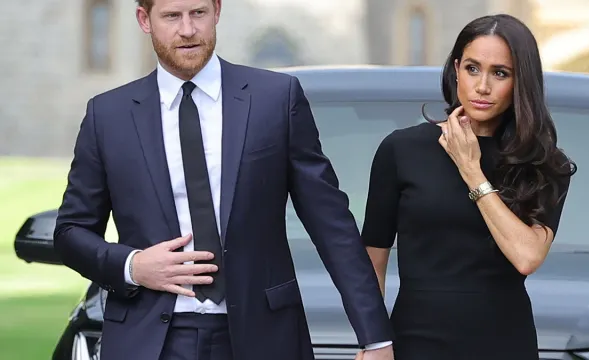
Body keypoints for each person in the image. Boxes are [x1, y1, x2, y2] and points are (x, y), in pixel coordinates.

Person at [53, 0, 395, 359]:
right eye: (172, 16)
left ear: (216, 11)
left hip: (263, 338)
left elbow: (332, 225)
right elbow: (71, 232)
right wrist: (132, 266)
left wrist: (375, 337)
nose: (187, 29)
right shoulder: (107, 115)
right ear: (144, 20)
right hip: (150, 341)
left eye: (198, 13)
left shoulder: (275, 99)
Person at [360, 14, 577, 360]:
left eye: (500, 73)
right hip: (415, 342)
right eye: (473, 68)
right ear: (456, 69)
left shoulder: (544, 164)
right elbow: (373, 262)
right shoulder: (401, 151)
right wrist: (373, 342)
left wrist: (471, 170)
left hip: (504, 345)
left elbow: (526, 256)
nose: (483, 86)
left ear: (521, 83)